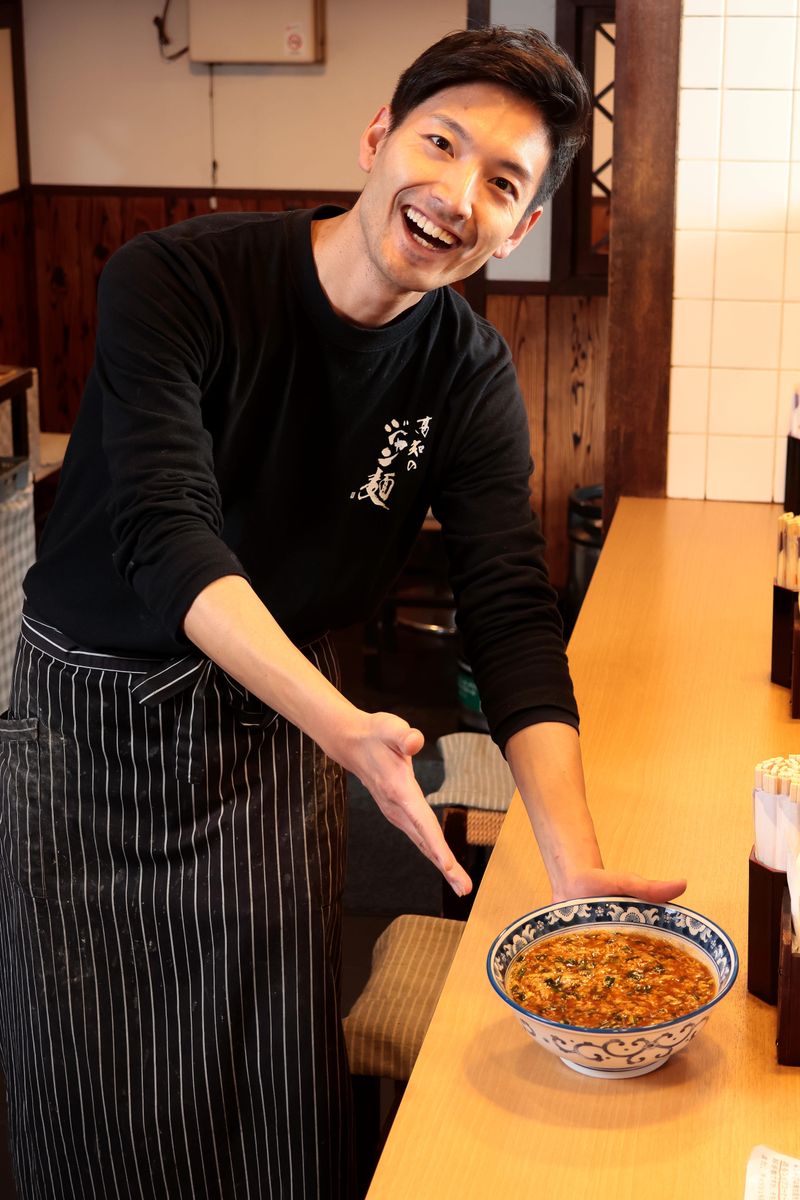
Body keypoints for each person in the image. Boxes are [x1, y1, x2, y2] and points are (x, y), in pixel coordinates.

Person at [0, 25, 685, 1200]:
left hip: (283, 739)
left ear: (518, 230)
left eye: (502, 183)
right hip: (93, 730)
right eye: (440, 142)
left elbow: (510, 613)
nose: (456, 194)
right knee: (94, 1093)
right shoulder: (178, 278)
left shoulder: (464, 375)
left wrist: (573, 870)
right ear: (376, 138)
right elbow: (166, 535)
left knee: (271, 1083)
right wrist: (343, 724)